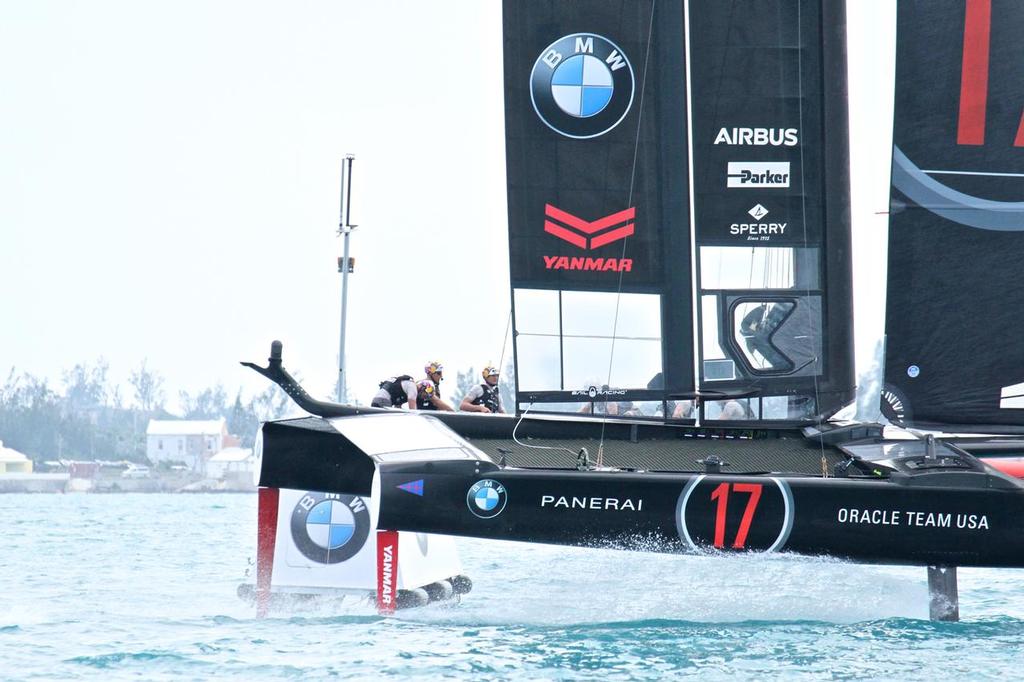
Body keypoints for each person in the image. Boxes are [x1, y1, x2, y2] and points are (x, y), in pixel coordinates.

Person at [739, 303, 792, 370]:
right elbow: (753, 323)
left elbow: (753, 322)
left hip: (782, 316)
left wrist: (761, 310)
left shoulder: (751, 330)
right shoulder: (752, 332)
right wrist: (761, 310)